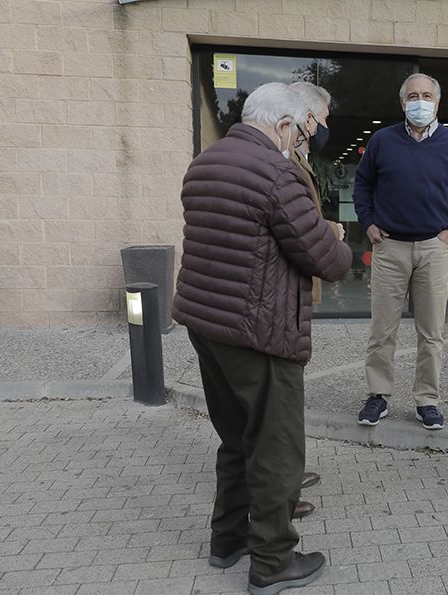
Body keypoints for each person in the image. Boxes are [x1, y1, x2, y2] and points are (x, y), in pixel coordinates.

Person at [172, 82, 352, 593]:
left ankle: (227, 540)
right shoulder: (277, 173)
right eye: (300, 129)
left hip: (208, 324)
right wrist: (334, 235)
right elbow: (325, 259)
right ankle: (273, 562)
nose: (300, 139)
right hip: (260, 330)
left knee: (235, 438)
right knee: (276, 448)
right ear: (284, 126)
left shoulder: (205, 162)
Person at [352, 73, 448, 430]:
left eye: (426, 95)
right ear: (402, 102)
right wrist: (369, 223)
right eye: (413, 95)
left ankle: (427, 400)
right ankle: (378, 395)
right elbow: (363, 184)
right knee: (382, 329)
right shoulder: (382, 141)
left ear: (438, 102)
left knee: (431, 331)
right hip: (390, 247)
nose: (420, 101)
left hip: (435, 248)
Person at [285, 81, 342, 519]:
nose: (324, 128)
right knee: (279, 391)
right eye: (321, 120)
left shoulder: (297, 155)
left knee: (288, 387)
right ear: (305, 120)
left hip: (293, 286)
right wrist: (330, 237)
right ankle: (277, 485)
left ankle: (286, 468)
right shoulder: (281, 158)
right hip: (282, 288)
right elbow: (294, 225)